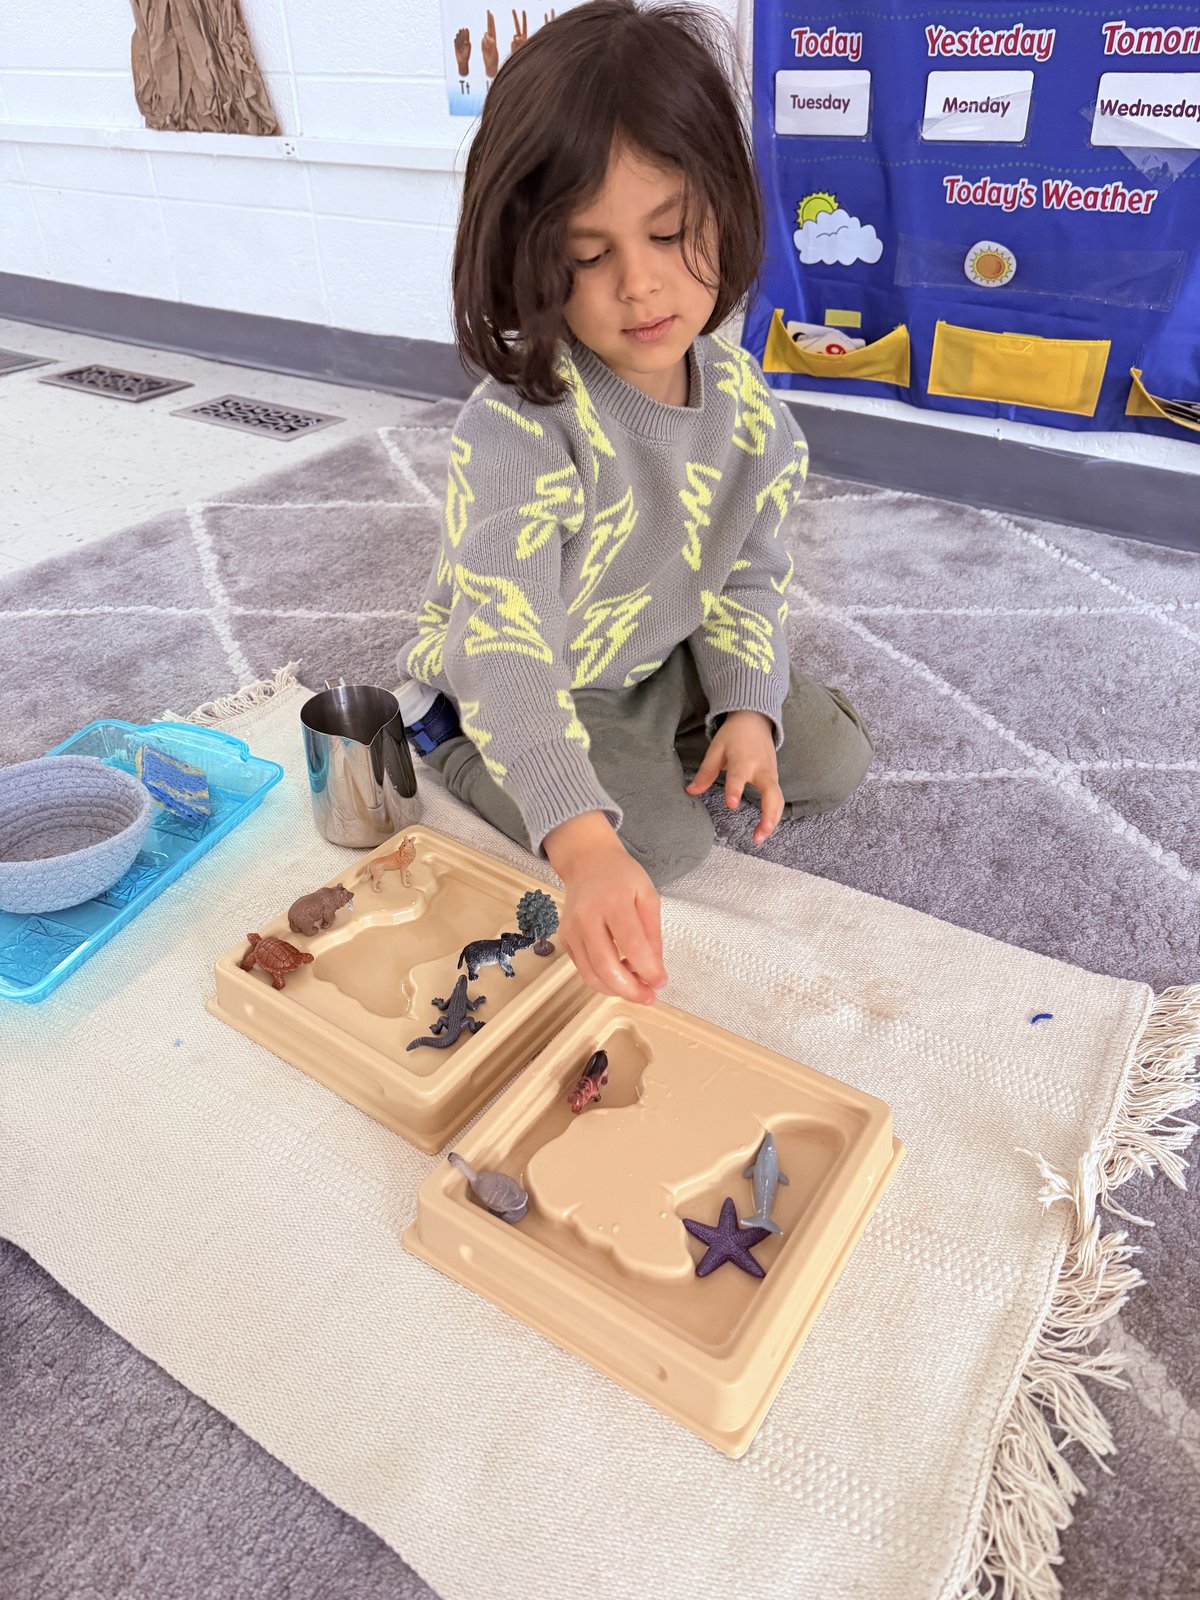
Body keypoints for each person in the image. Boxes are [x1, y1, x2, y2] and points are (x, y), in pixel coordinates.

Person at [395, 0, 873, 1007]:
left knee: (823, 755)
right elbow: (510, 637)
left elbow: (748, 569)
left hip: (658, 648)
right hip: (531, 672)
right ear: (531, 254)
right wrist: (577, 837)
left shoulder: (746, 408)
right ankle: (452, 741)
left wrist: (747, 701)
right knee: (650, 846)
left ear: (725, 211)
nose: (642, 284)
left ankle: (688, 731)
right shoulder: (520, 426)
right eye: (587, 252)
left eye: (671, 232)